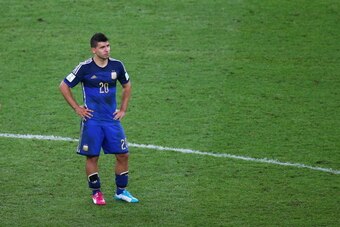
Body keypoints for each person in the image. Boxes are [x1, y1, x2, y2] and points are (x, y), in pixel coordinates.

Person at [59, 33, 139, 205]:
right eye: (102, 47)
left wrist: (123, 109)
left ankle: (121, 191)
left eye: (108, 46)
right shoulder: (84, 68)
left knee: (123, 154)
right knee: (92, 157)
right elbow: (64, 85)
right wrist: (77, 108)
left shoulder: (117, 65)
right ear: (94, 49)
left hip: (111, 120)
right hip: (92, 120)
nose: (106, 50)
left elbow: (127, 86)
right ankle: (96, 193)